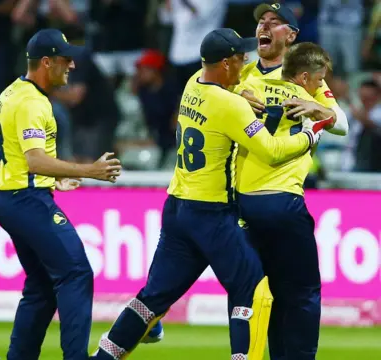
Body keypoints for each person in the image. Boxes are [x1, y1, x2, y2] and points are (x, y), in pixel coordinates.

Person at [89, 28, 332, 360]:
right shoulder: (231, 106)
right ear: (226, 63)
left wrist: (240, 97)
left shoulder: (192, 83)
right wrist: (309, 134)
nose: (245, 61)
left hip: (177, 208)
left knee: (153, 298)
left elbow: (221, 100)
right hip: (212, 213)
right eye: (239, 58)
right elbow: (273, 151)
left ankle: (103, 357)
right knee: (252, 285)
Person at [146, 1, 350, 344]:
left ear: (292, 35)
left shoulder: (305, 77)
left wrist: (318, 108)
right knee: (252, 292)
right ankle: (155, 311)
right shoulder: (240, 73)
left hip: (279, 197)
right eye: (261, 21)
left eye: (275, 22)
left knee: (273, 292)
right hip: (238, 201)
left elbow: (341, 124)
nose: (264, 27)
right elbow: (204, 89)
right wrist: (237, 91)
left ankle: (152, 310)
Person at [0, 28, 122, 360]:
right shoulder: (33, 102)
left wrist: (54, 179)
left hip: (13, 196)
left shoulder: (13, 92)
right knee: (76, 273)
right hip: (26, 200)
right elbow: (34, 159)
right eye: (66, 60)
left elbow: (23, 158)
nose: (72, 66)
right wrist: (89, 171)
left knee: (41, 287)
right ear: (46, 62)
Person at [234, 42, 339, 360]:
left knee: (259, 291)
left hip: (245, 205)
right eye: (319, 80)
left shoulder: (249, 87)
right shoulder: (311, 102)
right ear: (305, 77)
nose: (321, 86)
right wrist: (326, 112)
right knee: (303, 293)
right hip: (284, 203)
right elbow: (335, 123)